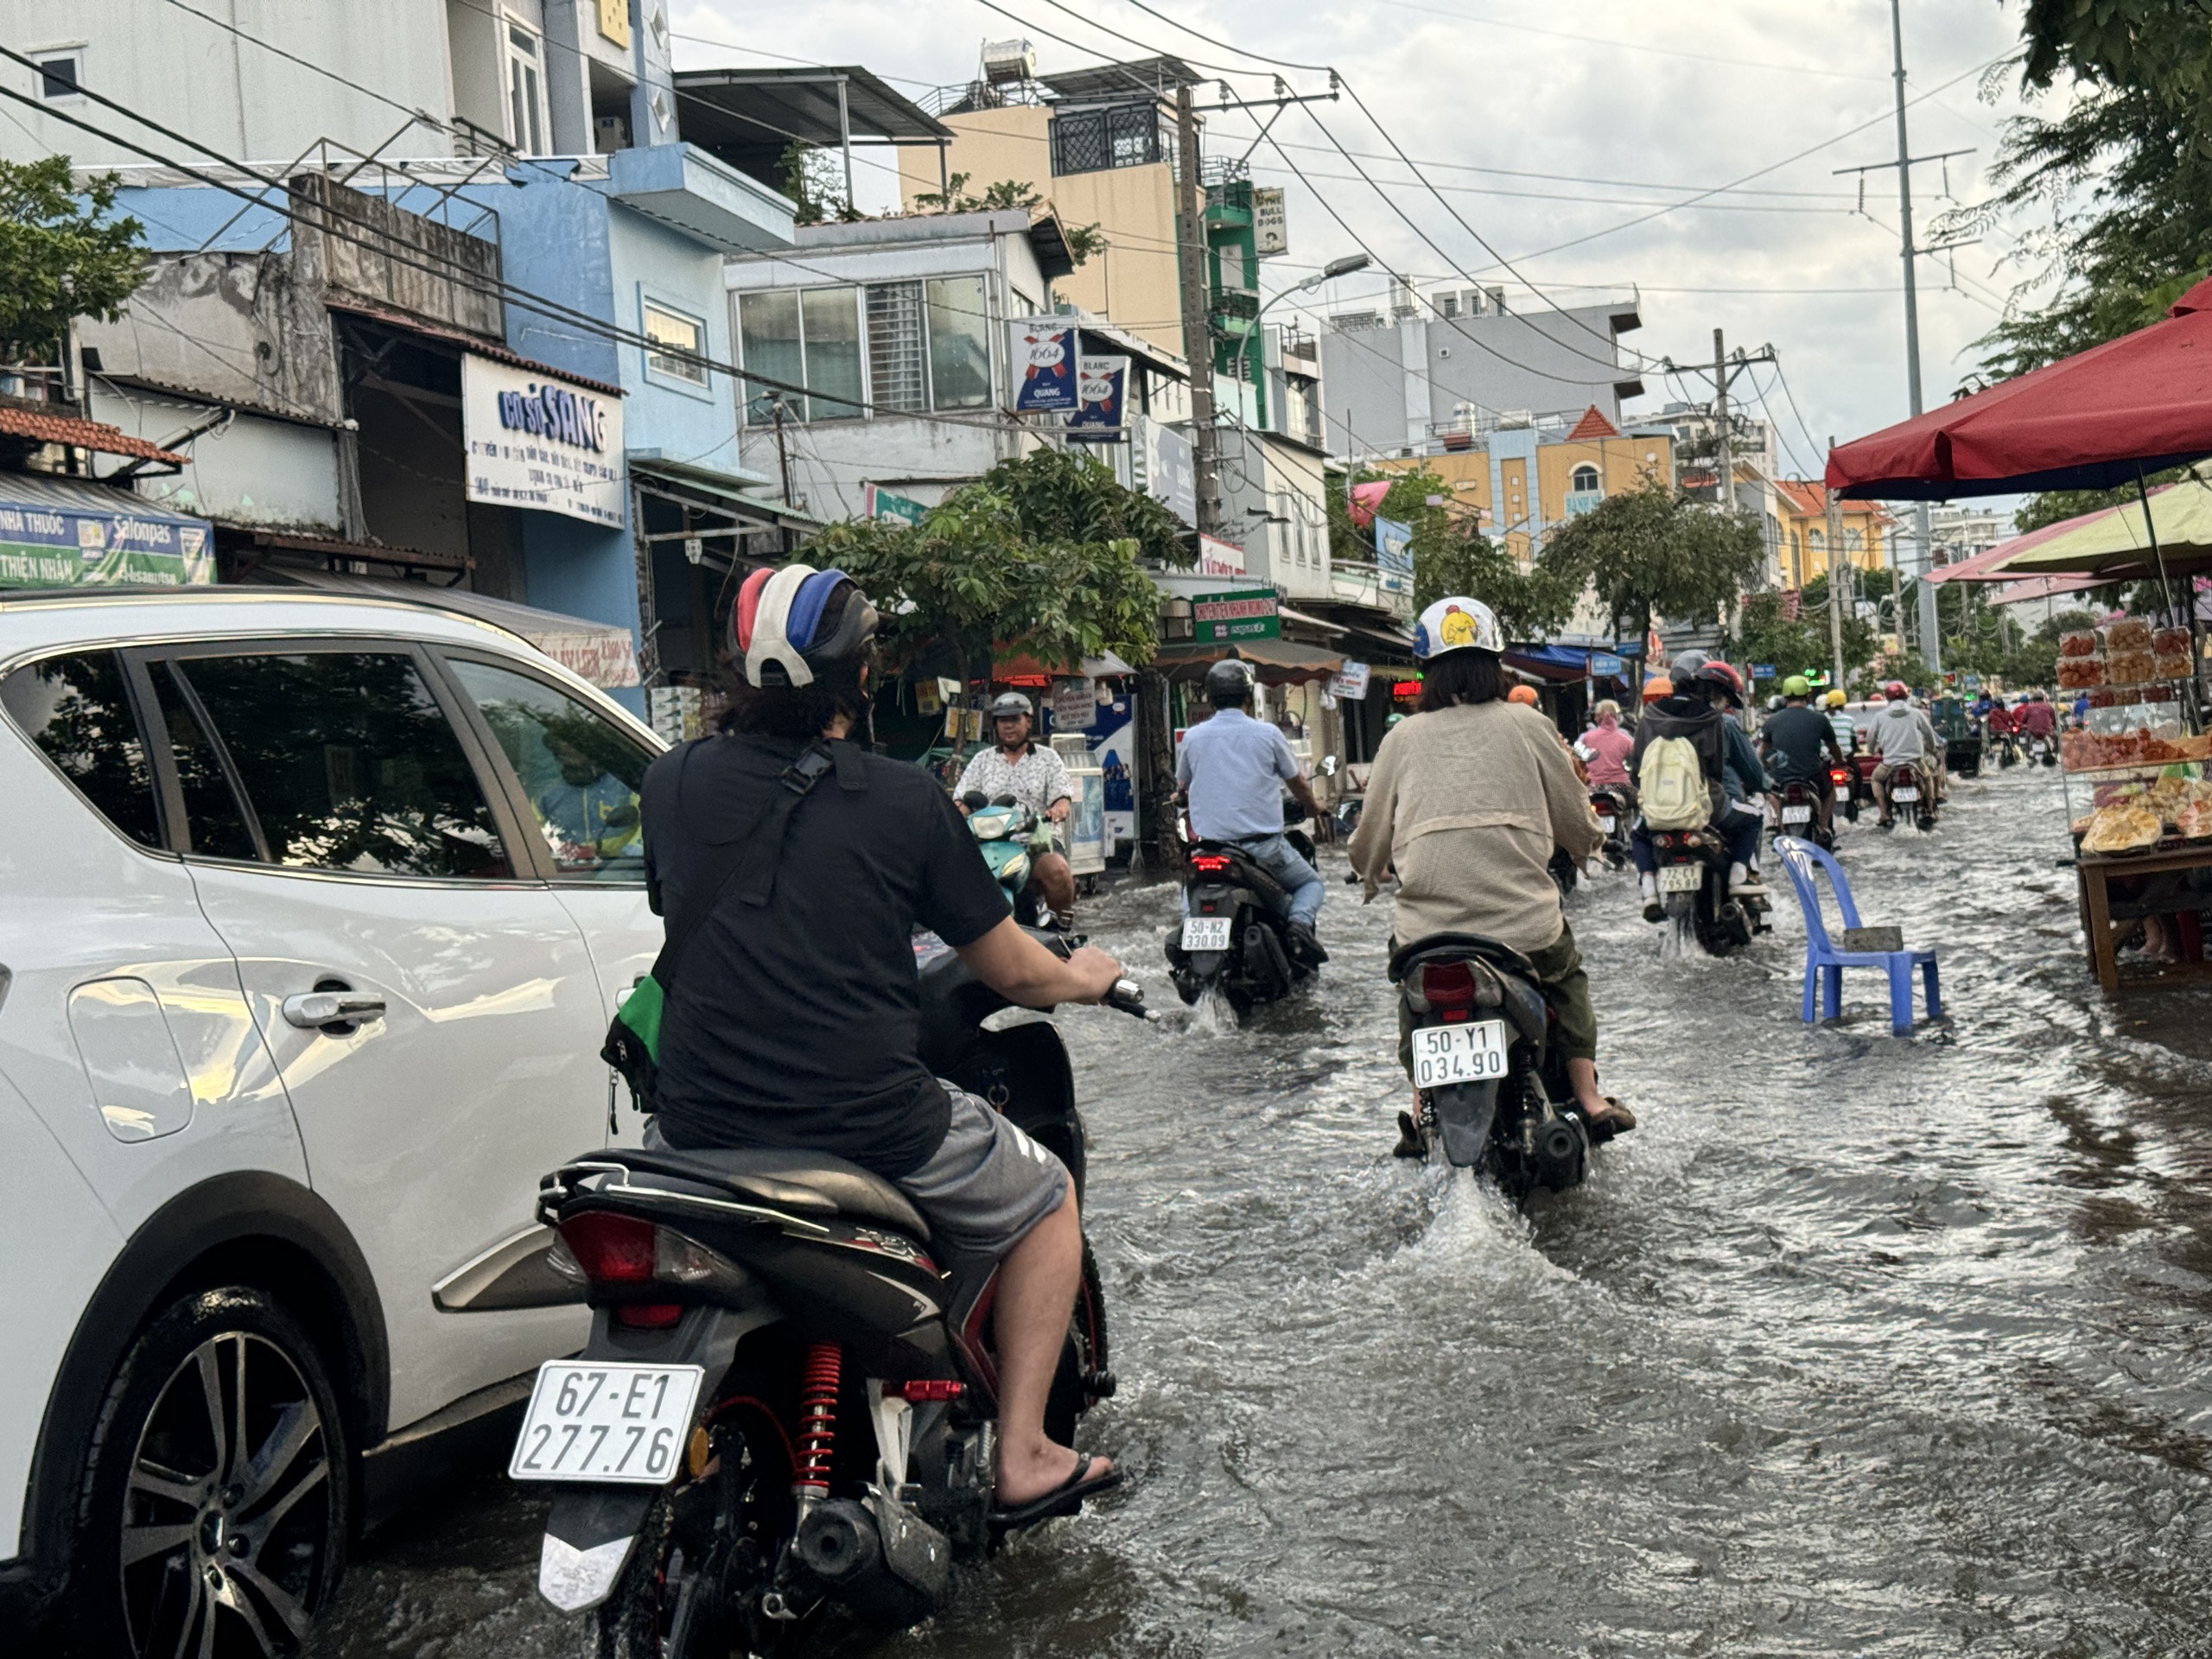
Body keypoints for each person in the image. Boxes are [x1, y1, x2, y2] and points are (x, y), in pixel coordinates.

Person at [639, 563, 1120, 1516]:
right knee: (1046, 1199)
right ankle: (1023, 1451)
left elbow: (686, 908)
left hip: (691, 1128)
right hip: (865, 1121)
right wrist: (1086, 979)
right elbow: (1014, 970)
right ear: (860, 678)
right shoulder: (907, 800)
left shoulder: (670, 781)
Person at [1346, 594, 1630, 1147]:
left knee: (1412, 997)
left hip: (1429, 936)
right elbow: (1574, 813)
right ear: (1495, 663)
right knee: (1566, 977)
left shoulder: (1401, 738)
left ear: (1427, 671)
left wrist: (1369, 871)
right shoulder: (1528, 724)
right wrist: (1588, 847)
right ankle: (1590, 1098)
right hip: (1524, 927)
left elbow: (1370, 834)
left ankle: (1419, 1106)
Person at [1177, 658, 1328, 964]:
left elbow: (1183, 786)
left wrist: (1181, 795)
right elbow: (1297, 782)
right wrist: (1315, 807)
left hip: (1209, 851)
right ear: (1249, 698)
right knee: (1311, 884)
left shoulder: (1193, 737)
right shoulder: (1268, 734)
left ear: (1210, 698)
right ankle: (1298, 926)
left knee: (1189, 896)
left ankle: (1185, 936)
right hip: (1263, 850)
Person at [1629, 651, 1767, 919]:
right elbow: (1715, 770)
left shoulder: (1648, 718)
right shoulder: (1711, 719)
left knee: (1638, 834)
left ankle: (1648, 890)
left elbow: (1637, 773)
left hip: (1658, 811)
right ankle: (1739, 877)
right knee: (1753, 819)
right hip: (1706, 808)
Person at [957, 692, 1077, 929]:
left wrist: (1058, 810)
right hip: (989, 844)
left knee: (1058, 871)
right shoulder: (982, 760)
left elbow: (1063, 797)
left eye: (1014, 719)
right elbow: (962, 800)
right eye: (1003, 721)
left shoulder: (1048, 758)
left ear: (1028, 721)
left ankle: (1061, 927)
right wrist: (954, 814)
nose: (1008, 726)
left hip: (1036, 842)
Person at [1758, 676, 1847, 835]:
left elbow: (1763, 752)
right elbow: (1833, 747)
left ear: (1785, 698)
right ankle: (1822, 826)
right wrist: (1840, 762)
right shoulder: (1820, 719)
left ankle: (1781, 823)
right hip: (1812, 774)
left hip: (1782, 776)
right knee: (1830, 792)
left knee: (1770, 793)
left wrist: (1763, 764)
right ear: (1808, 696)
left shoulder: (1772, 721)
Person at [537, 732, 642, 864]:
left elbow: (650, 822)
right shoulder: (548, 797)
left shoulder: (626, 787)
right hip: (567, 871)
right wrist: (555, 850)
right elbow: (532, 834)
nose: (570, 760)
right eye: (563, 754)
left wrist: (627, 854)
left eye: (575, 752)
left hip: (621, 867)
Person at [1866, 680, 1943, 827]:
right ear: (1905, 696)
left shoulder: (1879, 717)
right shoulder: (1916, 714)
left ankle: (1884, 813)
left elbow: (1871, 737)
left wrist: (1871, 750)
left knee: (1875, 780)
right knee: (1928, 778)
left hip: (1890, 763)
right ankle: (1930, 809)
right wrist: (1932, 747)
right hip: (1916, 761)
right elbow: (1928, 733)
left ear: (1887, 698)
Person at [1578, 699, 1636, 794]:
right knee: (1639, 804)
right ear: (1617, 717)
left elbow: (1576, 759)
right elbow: (1637, 758)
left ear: (1597, 718)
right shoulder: (1626, 739)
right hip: (1622, 786)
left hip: (1595, 787)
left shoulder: (1586, 737)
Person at [1824, 687, 1858, 755]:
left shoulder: (1821, 719)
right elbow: (1853, 739)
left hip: (1826, 756)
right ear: (1842, 706)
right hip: (1846, 756)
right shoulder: (1849, 720)